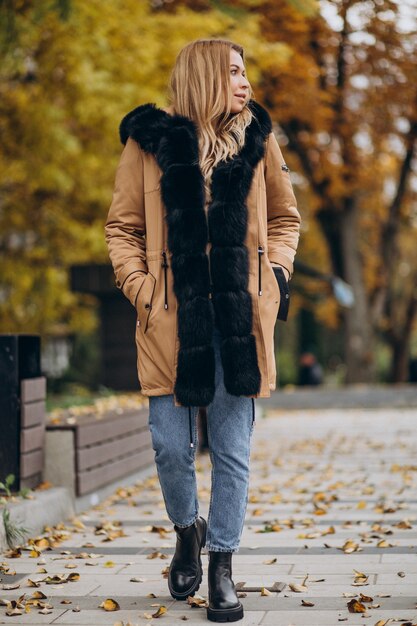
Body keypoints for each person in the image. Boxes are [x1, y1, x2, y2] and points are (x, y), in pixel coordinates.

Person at [105, 38, 301, 623]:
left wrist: (277, 277)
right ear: (206, 77)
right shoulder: (151, 145)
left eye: (246, 72)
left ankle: (222, 564)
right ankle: (187, 531)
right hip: (172, 321)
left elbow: (287, 218)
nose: (245, 83)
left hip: (239, 322)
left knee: (234, 452)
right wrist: (144, 292)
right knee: (170, 446)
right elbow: (122, 228)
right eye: (235, 72)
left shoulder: (258, 143)